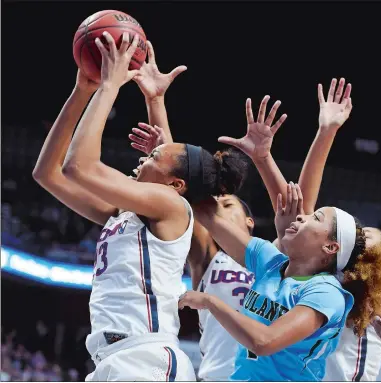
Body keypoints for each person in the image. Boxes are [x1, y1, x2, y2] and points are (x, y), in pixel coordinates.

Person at [33, 33, 247, 381]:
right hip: (113, 360)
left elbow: (78, 166)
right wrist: (81, 92)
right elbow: (48, 173)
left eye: (152, 156)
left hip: (145, 359)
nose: (142, 159)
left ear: (176, 186)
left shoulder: (172, 206)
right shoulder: (123, 214)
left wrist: (109, 87)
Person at [130, 92, 289, 381]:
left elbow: (291, 211)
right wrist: (155, 100)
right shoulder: (209, 258)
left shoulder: (276, 261)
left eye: (228, 205)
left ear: (249, 221)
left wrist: (264, 158)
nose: (220, 209)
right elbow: (177, 182)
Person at [277, 78, 381, 381]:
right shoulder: (322, 283)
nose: (365, 237)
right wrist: (326, 131)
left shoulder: (374, 300)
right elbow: (301, 213)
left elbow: (303, 212)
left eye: (369, 238)